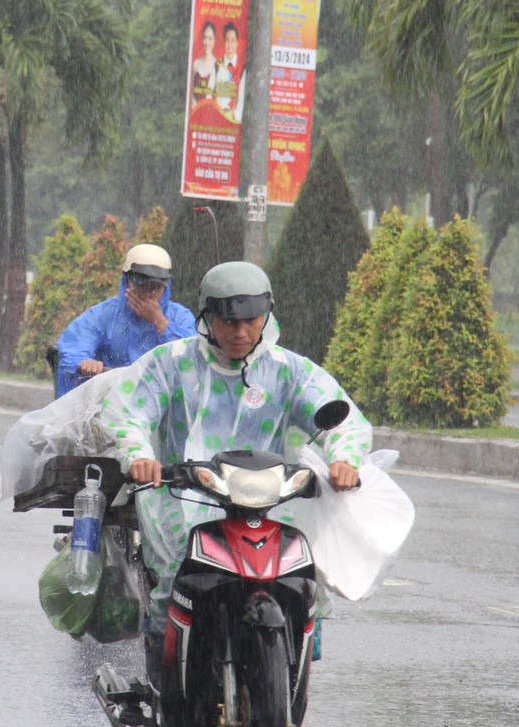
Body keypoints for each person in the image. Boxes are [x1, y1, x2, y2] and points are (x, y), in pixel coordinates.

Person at [96, 261, 371, 687]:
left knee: (301, 577)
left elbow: (342, 420)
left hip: (268, 498)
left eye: (250, 321)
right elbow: (127, 412)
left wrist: (344, 460)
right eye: (228, 321)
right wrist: (139, 456)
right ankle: (163, 683)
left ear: (267, 316)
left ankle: (292, 665)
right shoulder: (171, 363)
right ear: (207, 317)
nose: (240, 332)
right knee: (174, 578)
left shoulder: (289, 369)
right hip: (181, 497)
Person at [53, 244, 197, 396]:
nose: (147, 294)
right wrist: (85, 363)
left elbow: (193, 357)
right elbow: (74, 345)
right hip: (110, 400)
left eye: (155, 287)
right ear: (126, 281)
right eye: (141, 286)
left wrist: (159, 321)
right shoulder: (105, 314)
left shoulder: (180, 317)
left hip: (165, 401)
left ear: (165, 287)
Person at [216, 22, 245, 122]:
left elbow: (240, 102)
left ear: (237, 43)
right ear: (224, 43)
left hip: (233, 122)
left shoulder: (242, 68)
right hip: (216, 119)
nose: (229, 45)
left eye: (232, 41)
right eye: (227, 40)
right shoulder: (217, 65)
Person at [191, 21, 218, 106]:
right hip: (195, 111)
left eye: (210, 39)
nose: (207, 43)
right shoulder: (196, 64)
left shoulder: (218, 66)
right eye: (205, 38)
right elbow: (192, 95)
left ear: (214, 41)